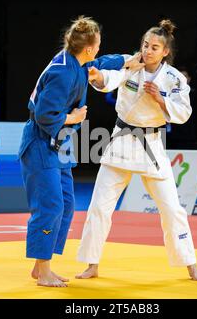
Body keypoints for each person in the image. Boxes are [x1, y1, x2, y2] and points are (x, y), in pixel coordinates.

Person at [76, 20, 197, 282]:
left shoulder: (173, 78)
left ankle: (190, 264)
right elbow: (109, 80)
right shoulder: (130, 62)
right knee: (99, 207)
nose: (147, 51)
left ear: (165, 52)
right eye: (145, 45)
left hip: (152, 146)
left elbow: (184, 113)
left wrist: (161, 99)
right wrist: (97, 76)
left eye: (154, 47)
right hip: (122, 141)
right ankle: (92, 264)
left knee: (172, 209)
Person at [18, 16, 143, 288]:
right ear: (88, 47)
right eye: (97, 45)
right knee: (50, 205)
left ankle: (41, 267)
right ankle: (44, 270)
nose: (98, 49)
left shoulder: (74, 61)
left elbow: (99, 63)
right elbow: (44, 115)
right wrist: (72, 119)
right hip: (41, 142)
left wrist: (127, 60)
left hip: (59, 145)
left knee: (66, 204)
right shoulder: (64, 73)